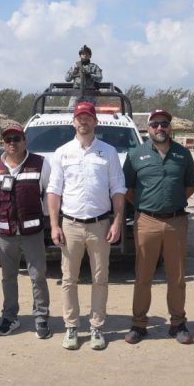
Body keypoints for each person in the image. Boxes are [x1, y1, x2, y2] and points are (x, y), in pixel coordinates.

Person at [47, 102, 126, 351]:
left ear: (95, 122)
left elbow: (118, 189)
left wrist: (116, 221)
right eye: (79, 117)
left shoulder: (109, 152)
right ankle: (71, 327)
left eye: (88, 117)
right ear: (73, 122)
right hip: (69, 225)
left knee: (100, 279)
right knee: (68, 279)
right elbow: (54, 191)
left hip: (100, 225)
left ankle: (96, 327)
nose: (84, 121)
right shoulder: (61, 152)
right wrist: (54, 225)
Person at [122, 109, 194, 345]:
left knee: (176, 276)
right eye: (155, 124)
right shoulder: (136, 154)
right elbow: (128, 190)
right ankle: (138, 324)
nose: (160, 128)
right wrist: (149, 207)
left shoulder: (183, 154)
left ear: (170, 127)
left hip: (176, 221)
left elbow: (189, 187)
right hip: (147, 221)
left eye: (164, 124)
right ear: (148, 128)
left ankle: (178, 324)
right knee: (143, 275)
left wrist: (170, 205)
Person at [0, 123, 53, 339]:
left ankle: (41, 317)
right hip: (5, 234)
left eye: (17, 138)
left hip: (32, 232)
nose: (12, 143)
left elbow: (48, 195)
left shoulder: (40, 164)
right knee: (8, 277)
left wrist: (40, 219)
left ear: (25, 141)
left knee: (38, 276)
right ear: (2, 143)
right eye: (8, 140)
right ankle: (10, 317)